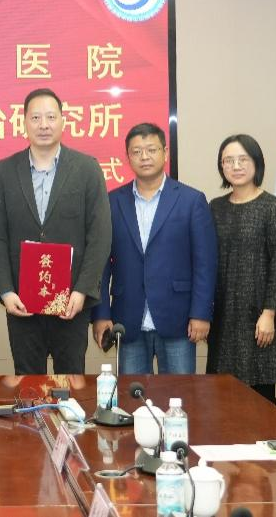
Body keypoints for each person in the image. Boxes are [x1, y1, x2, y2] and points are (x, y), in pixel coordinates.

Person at [0, 88, 111, 375]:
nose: (44, 124)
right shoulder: (5, 170)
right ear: (24, 123)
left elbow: (100, 236)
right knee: (28, 383)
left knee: (71, 381)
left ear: (63, 121)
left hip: (71, 303)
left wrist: (82, 290)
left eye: (51, 117)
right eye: (36, 117)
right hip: (22, 302)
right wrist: (5, 290)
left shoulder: (87, 168)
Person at [92, 122, 217, 375]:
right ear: (128, 157)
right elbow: (100, 263)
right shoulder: (112, 202)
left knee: (179, 395)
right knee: (131, 396)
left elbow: (205, 263)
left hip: (179, 319)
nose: (144, 157)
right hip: (127, 319)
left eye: (151, 149)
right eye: (137, 151)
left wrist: (201, 313)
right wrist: (101, 314)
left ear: (165, 153)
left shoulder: (192, 200)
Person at [205, 134, 276, 404]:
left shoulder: (273, 208)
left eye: (243, 159)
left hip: (259, 315)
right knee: (223, 393)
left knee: (260, 395)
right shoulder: (215, 207)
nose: (236, 166)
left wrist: (270, 313)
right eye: (228, 160)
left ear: (256, 162)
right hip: (224, 315)